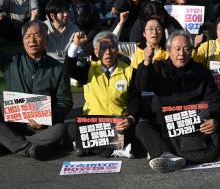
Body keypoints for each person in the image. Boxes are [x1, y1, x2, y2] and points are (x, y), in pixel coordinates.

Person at [135, 30, 220, 172]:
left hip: (194, 125)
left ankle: (162, 152)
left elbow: (214, 99)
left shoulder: (201, 71)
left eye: (186, 49)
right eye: (177, 49)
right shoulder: (159, 68)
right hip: (165, 124)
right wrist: (147, 62)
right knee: (142, 127)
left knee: (219, 126)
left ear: (191, 51)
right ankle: (165, 154)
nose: (181, 54)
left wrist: (215, 119)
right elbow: (142, 85)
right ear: (169, 50)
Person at [0, 20, 73, 160]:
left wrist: (47, 119)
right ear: (22, 41)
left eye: (37, 35)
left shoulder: (58, 68)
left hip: (42, 128)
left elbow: (65, 102)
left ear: (45, 39)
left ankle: (12, 144)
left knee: (61, 129)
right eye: (27, 36)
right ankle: (29, 148)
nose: (32, 40)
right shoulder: (12, 61)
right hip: (13, 124)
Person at [64, 31, 138, 157]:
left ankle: (87, 147)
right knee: (72, 128)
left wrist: (129, 120)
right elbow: (69, 69)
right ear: (96, 52)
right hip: (94, 124)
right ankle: (112, 149)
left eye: (111, 47)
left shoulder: (130, 71)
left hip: (118, 124)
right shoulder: (88, 68)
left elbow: (135, 101)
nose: (108, 52)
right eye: (103, 48)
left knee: (136, 129)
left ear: (117, 50)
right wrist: (75, 44)